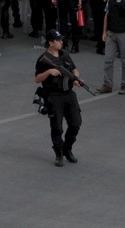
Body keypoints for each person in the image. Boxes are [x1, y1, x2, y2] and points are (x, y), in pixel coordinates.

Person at [34, 30, 83, 167]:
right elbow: (37, 79)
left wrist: (76, 78)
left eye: (61, 40)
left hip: (68, 94)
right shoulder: (43, 59)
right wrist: (49, 72)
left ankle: (67, 149)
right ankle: (58, 153)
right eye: (58, 40)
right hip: (54, 96)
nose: (61, 42)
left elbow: (74, 69)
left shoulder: (65, 54)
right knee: (57, 127)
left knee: (76, 123)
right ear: (50, 43)